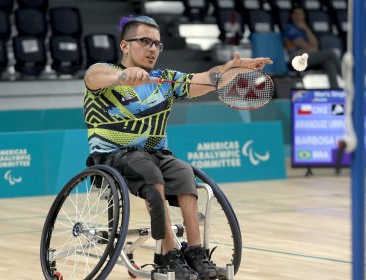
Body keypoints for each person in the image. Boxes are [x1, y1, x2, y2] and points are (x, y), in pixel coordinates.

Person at [84, 15, 272, 280]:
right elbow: (93, 77)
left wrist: (231, 68)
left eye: (157, 45)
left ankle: (195, 251)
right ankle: (168, 253)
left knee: (183, 172)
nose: (152, 49)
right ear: (125, 46)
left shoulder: (166, 80)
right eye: (145, 41)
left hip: (157, 154)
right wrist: (123, 76)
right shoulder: (105, 72)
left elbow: (204, 78)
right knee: (150, 172)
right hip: (113, 156)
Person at [283, 5, 342, 88]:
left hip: (309, 58)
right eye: (296, 14)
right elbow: (303, 45)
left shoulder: (305, 29)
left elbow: (315, 45)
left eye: (301, 14)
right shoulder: (290, 29)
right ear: (291, 16)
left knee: (329, 63)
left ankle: (335, 91)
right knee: (331, 54)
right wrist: (312, 48)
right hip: (296, 59)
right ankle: (348, 78)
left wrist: (306, 28)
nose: (298, 17)